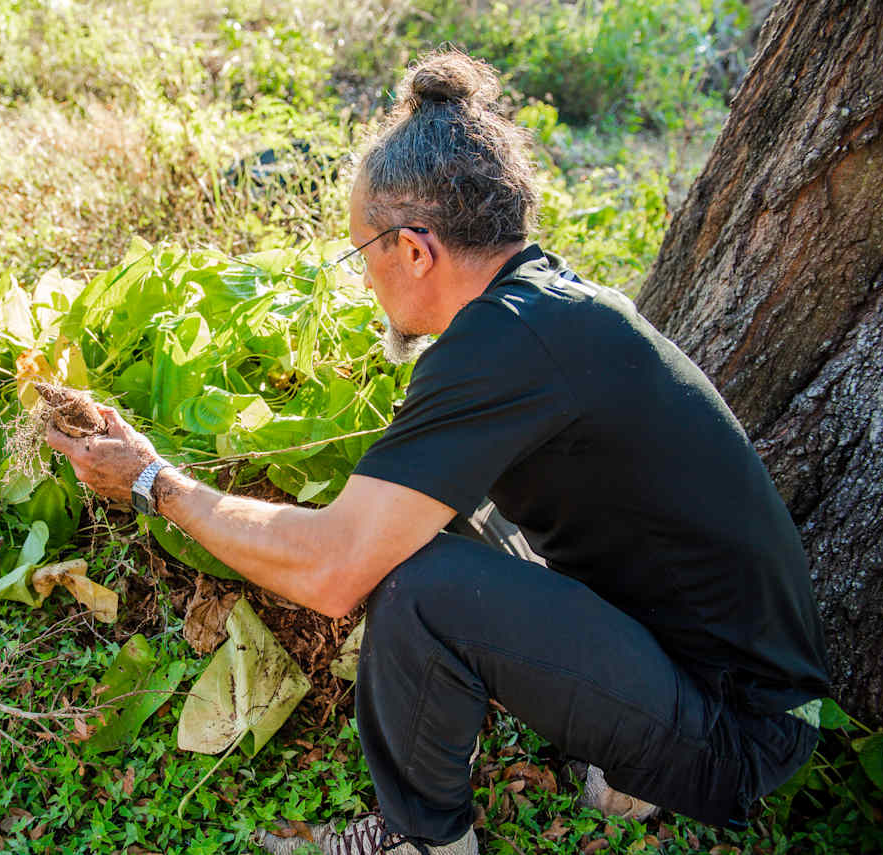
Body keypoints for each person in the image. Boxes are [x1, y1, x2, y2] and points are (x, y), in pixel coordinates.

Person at [44, 50, 831, 855]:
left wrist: (152, 480)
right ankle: (629, 772)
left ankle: (425, 841)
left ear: (414, 250)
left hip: (742, 734)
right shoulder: (550, 306)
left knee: (414, 581)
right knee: (437, 511)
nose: (364, 282)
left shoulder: (502, 343)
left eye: (362, 255)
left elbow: (332, 569)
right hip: (741, 681)